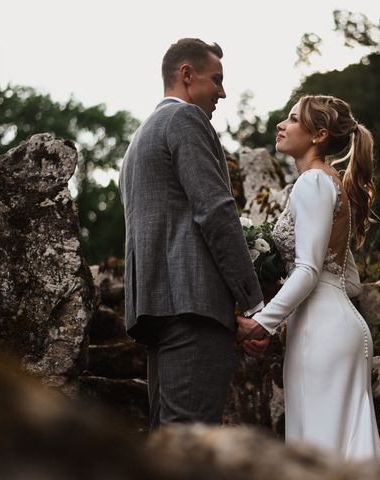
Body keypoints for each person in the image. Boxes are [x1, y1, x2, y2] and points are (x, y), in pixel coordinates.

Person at [119, 38, 267, 430]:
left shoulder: (138, 140)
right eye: (216, 79)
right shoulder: (185, 120)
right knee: (190, 446)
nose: (222, 92)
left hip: (155, 308)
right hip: (193, 308)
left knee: (168, 443)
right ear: (187, 74)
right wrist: (254, 304)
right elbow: (215, 210)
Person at [237, 95, 380, 460]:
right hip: (342, 327)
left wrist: (262, 324)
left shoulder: (312, 183)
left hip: (321, 333)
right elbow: (348, 281)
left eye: (291, 120)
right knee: (345, 452)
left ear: (318, 135)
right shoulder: (333, 185)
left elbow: (308, 270)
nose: (280, 125)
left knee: (318, 458)